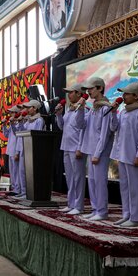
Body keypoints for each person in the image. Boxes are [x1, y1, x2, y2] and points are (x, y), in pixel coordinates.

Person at [109, 82, 138, 227]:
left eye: (127, 94)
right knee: (125, 187)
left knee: (135, 187)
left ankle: (135, 218)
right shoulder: (124, 111)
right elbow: (114, 128)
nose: (123, 96)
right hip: (122, 154)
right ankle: (126, 214)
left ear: (136, 96)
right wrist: (114, 112)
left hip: (134, 156)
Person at [78, 77, 114, 220]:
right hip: (91, 149)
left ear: (99, 88)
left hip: (100, 151)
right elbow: (80, 124)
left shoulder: (105, 108)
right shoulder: (93, 108)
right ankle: (95, 209)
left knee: (99, 182)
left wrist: (98, 153)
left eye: (91, 89)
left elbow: (105, 134)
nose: (89, 92)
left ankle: (102, 211)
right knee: (92, 181)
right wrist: (80, 108)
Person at [56, 84, 86, 214]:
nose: (69, 95)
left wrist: (80, 147)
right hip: (66, 147)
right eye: (68, 93)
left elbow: (83, 130)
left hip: (76, 148)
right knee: (69, 177)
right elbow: (62, 127)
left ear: (79, 94)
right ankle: (71, 203)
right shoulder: (68, 110)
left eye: (71, 92)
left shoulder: (84, 110)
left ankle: (78, 206)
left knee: (78, 178)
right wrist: (58, 115)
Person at [15, 100, 45, 199]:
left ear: (35, 108)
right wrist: (20, 122)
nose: (27, 110)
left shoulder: (39, 120)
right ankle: (24, 192)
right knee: (22, 171)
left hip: (32, 149)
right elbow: (22, 131)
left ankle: (31, 193)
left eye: (29, 108)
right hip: (25, 147)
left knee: (30, 172)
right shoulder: (28, 120)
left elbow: (37, 134)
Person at [5, 105, 23, 195]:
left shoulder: (19, 124)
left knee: (16, 171)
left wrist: (17, 152)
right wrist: (5, 125)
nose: (10, 114)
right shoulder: (13, 124)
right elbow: (6, 135)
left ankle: (18, 189)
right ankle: (14, 188)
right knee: (12, 171)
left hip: (15, 150)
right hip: (10, 150)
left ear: (16, 113)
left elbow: (17, 135)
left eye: (12, 112)